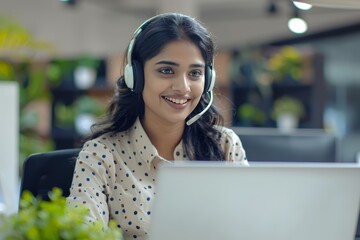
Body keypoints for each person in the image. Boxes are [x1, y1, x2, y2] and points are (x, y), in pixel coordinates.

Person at [67, 12, 248, 240]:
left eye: (194, 73)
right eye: (166, 71)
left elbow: (248, 228)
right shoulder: (101, 156)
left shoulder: (224, 146)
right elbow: (81, 234)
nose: (183, 87)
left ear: (208, 80)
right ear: (136, 76)